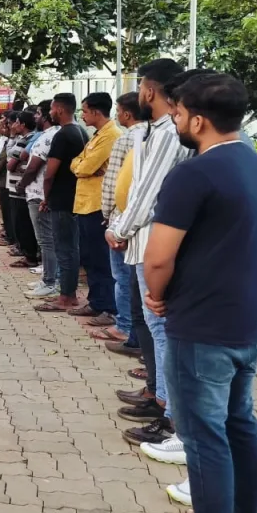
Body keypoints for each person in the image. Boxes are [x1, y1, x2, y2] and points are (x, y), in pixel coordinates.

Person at [139, 73, 257, 513]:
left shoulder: (195, 174)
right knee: (240, 422)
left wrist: (157, 295)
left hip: (202, 324)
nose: (174, 121)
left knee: (203, 436)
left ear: (197, 119)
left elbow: (158, 258)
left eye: (177, 114)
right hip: (246, 322)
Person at [106, 58, 188, 448]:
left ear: (150, 90)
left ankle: (171, 415)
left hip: (151, 240)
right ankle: (159, 396)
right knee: (151, 326)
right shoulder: (152, 131)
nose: (138, 92)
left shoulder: (171, 132)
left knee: (161, 328)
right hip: (138, 240)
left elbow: (149, 193)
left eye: (140, 85)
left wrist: (119, 228)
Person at [95, 92, 144, 347]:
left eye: (118, 110)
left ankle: (124, 326)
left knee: (123, 278)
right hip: (141, 221)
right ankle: (132, 330)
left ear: (126, 113)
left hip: (122, 220)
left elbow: (113, 181)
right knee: (134, 281)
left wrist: (107, 215)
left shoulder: (126, 139)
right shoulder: (153, 134)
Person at [68, 92, 121, 322]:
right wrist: (83, 166)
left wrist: (84, 166)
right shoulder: (96, 135)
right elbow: (76, 163)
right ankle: (96, 301)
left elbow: (84, 167)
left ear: (97, 112)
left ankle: (108, 307)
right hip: (84, 203)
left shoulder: (111, 136)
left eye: (85, 111)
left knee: (100, 259)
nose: (83, 115)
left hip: (98, 205)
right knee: (89, 257)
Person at [36, 94, 87, 313]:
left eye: (52, 109)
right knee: (71, 248)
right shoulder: (82, 132)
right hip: (76, 197)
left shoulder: (63, 135)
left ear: (58, 109)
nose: (50, 113)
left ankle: (67, 296)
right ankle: (68, 293)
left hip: (62, 199)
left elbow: (50, 173)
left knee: (64, 248)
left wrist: (46, 197)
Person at [17, 104, 60, 298]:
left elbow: (34, 166)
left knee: (46, 241)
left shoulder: (48, 136)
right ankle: (49, 277)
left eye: (39, 114)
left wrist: (21, 184)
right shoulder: (55, 134)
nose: (36, 117)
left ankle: (50, 281)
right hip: (42, 193)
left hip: (38, 193)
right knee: (48, 240)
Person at [6, 111, 39, 268]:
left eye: (16, 122)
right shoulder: (22, 139)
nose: (13, 125)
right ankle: (26, 252)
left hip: (20, 187)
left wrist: (14, 162)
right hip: (15, 186)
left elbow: (10, 163)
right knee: (19, 222)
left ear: (23, 125)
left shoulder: (29, 139)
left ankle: (30, 256)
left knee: (23, 223)